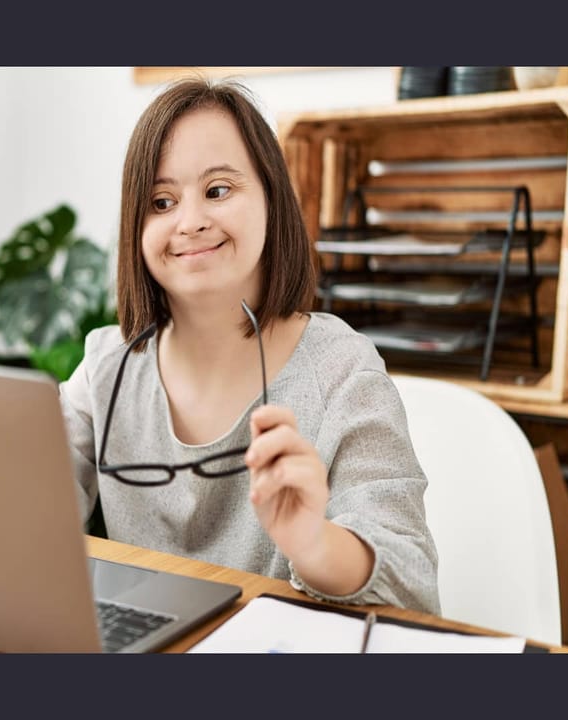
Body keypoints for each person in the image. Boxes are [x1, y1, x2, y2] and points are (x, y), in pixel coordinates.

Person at [59, 78, 440, 614]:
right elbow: (20, 520)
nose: (190, 222)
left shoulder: (340, 370)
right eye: (161, 202)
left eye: (218, 191)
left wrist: (313, 543)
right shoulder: (107, 366)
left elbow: (409, 584)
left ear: (271, 198)